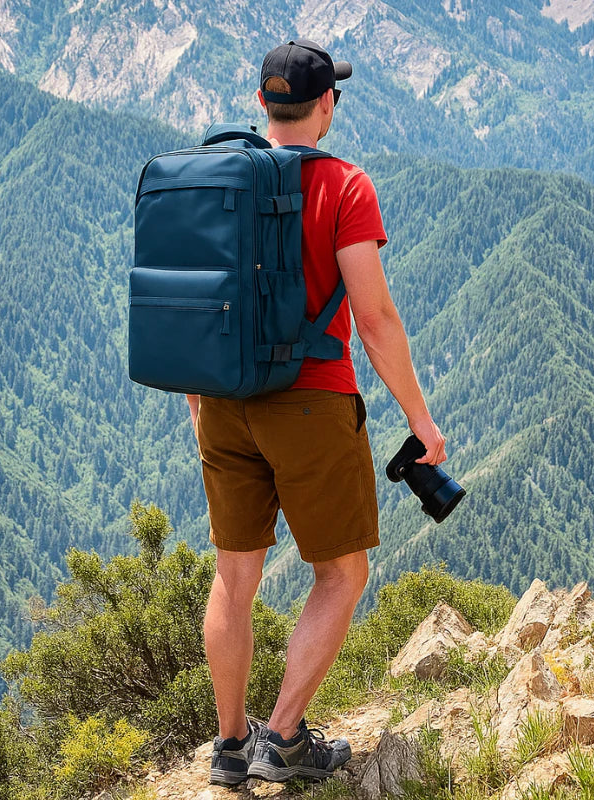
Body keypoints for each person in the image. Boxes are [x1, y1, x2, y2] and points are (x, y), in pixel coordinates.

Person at [185, 39, 448, 786]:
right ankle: (285, 736)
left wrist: (202, 403)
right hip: (309, 402)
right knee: (341, 573)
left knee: (234, 576)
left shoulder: (219, 179)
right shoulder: (345, 185)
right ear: (326, 106)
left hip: (222, 399)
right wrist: (421, 421)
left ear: (263, 105)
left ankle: (230, 748)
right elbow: (377, 319)